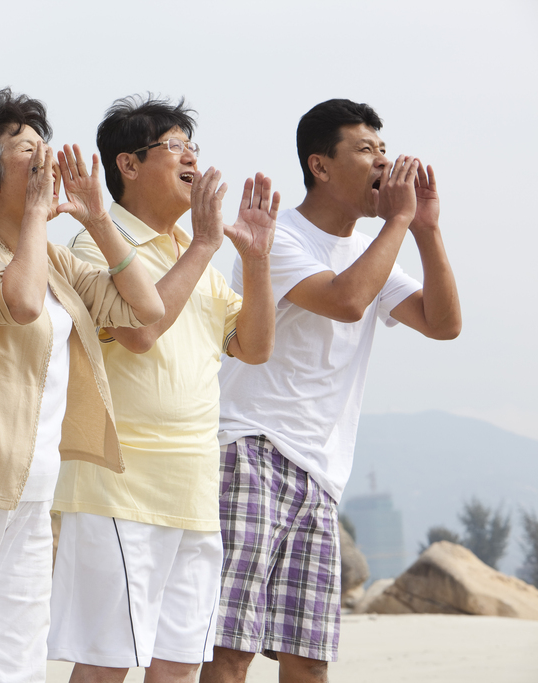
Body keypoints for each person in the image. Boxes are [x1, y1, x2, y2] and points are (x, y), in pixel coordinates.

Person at [0, 88, 165, 683]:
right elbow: (17, 304)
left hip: (31, 489)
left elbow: (146, 310)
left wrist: (98, 217)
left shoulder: (57, 261)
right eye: (26, 150)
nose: (47, 159)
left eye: (45, 145)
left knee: (17, 661)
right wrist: (42, 214)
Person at [202, 99, 461, 683]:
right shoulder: (278, 238)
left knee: (309, 658)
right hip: (249, 449)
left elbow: (444, 323)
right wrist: (397, 222)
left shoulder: (372, 255)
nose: (383, 163)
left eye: (384, 150)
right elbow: (346, 302)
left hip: (321, 471)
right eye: (366, 150)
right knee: (230, 647)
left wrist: (426, 228)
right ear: (320, 166)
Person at [47, 95, 279, 683]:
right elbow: (140, 331)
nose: (192, 161)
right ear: (128, 164)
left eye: (194, 148)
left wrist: (254, 260)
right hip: (120, 484)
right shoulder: (90, 240)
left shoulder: (187, 248)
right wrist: (206, 245)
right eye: (176, 147)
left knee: (177, 665)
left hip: (194, 487)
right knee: (106, 664)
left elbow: (253, 348)